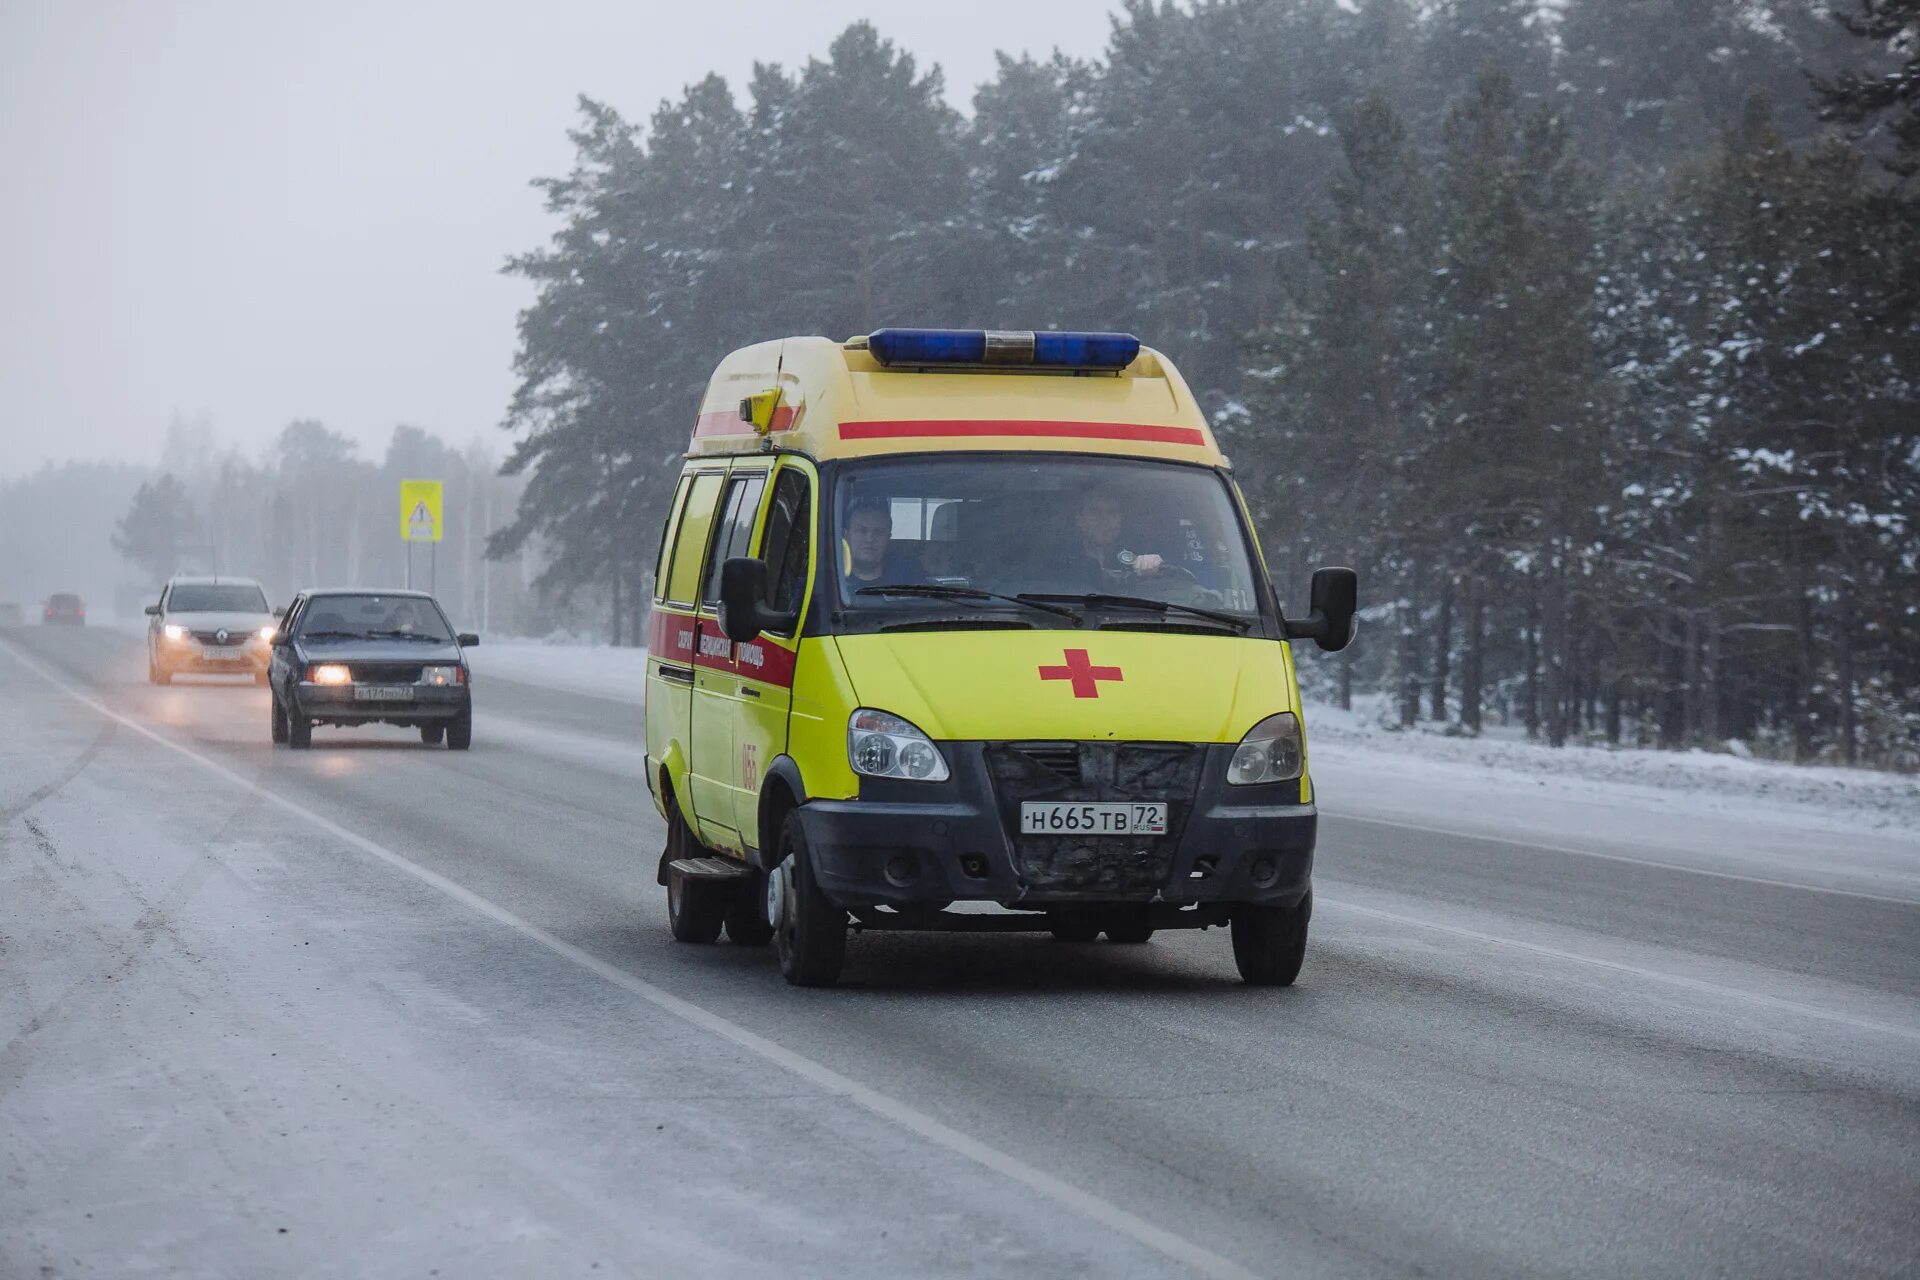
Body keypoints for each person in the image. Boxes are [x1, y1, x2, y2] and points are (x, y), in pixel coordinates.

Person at [842, 497, 914, 590]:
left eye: (879, 532)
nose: (870, 539)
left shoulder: (909, 579)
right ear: (846, 535)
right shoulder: (832, 578)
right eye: (862, 531)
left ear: (888, 538)